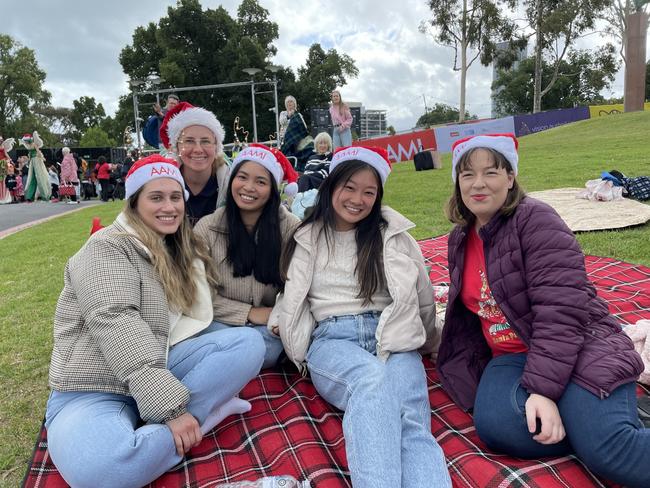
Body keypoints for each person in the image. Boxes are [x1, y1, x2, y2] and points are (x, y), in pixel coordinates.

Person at [436, 133, 649, 488]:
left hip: (577, 343)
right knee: (499, 427)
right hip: (510, 356)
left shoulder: (536, 221)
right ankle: (596, 420)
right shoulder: (460, 236)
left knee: (613, 453)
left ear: (510, 177)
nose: (477, 184)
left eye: (491, 172)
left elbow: (561, 313)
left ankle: (602, 428)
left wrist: (543, 392)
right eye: (467, 174)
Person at [45, 154, 266, 488]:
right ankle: (202, 421)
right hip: (93, 387)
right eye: (156, 197)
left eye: (176, 197)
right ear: (134, 203)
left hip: (158, 362)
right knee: (100, 475)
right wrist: (172, 411)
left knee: (249, 343)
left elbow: (196, 318)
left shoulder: (173, 247)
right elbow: (116, 321)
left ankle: (156, 436)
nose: (169, 206)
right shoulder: (105, 247)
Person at [271, 146, 451, 488]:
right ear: (332, 186)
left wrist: (432, 339)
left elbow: (422, 295)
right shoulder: (306, 237)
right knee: (371, 382)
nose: (358, 199)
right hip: (333, 339)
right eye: (350, 187)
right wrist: (278, 319)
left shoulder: (393, 236)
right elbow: (292, 293)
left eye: (369, 192)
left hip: (392, 334)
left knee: (411, 418)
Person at [194, 144, 300, 369]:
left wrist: (279, 315)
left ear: (273, 189)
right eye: (242, 177)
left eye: (261, 182)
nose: (249, 187)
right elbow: (197, 295)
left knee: (269, 348)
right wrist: (249, 313)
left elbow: (300, 287)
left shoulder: (291, 228)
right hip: (220, 323)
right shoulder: (207, 228)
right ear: (232, 180)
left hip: (270, 327)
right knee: (210, 338)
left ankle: (224, 372)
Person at [160, 102, 230, 226]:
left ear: (216, 147)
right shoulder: (159, 183)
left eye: (205, 141)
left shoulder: (232, 185)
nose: (198, 149)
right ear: (177, 147)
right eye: (189, 141)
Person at [279, 97, 314, 172]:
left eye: (291, 102)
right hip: (287, 139)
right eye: (288, 102)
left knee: (310, 146)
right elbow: (282, 122)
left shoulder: (299, 115)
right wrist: (289, 116)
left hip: (298, 139)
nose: (289, 103)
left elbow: (304, 126)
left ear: (294, 104)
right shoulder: (283, 113)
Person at [20, 132, 51, 201]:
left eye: (26, 141)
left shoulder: (34, 144)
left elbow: (38, 151)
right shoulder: (28, 145)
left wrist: (42, 158)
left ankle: (45, 195)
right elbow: (30, 154)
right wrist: (29, 159)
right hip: (32, 162)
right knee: (31, 177)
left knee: (40, 177)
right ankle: (30, 196)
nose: (26, 142)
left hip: (37, 160)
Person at [0, 136, 15, 204]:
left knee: (4, 179)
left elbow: (6, 154)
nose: (1, 141)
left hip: (3, 163)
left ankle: (5, 197)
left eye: (1, 140)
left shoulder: (3, 146)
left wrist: (11, 161)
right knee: (1, 180)